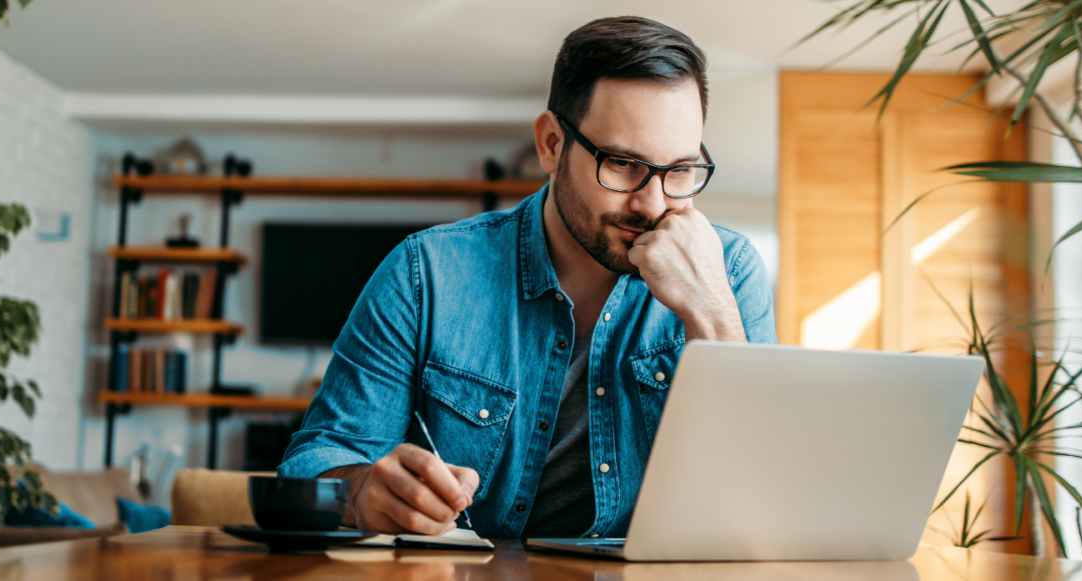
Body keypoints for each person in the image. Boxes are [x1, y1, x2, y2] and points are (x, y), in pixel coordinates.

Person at [277, 16, 775, 540]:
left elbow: (764, 496)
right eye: (624, 164)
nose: (653, 204)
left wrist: (712, 313)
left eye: (679, 170)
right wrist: (361, 493)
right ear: (552, 145)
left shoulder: (731, 272)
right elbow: (314, 462)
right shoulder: (425, 273)